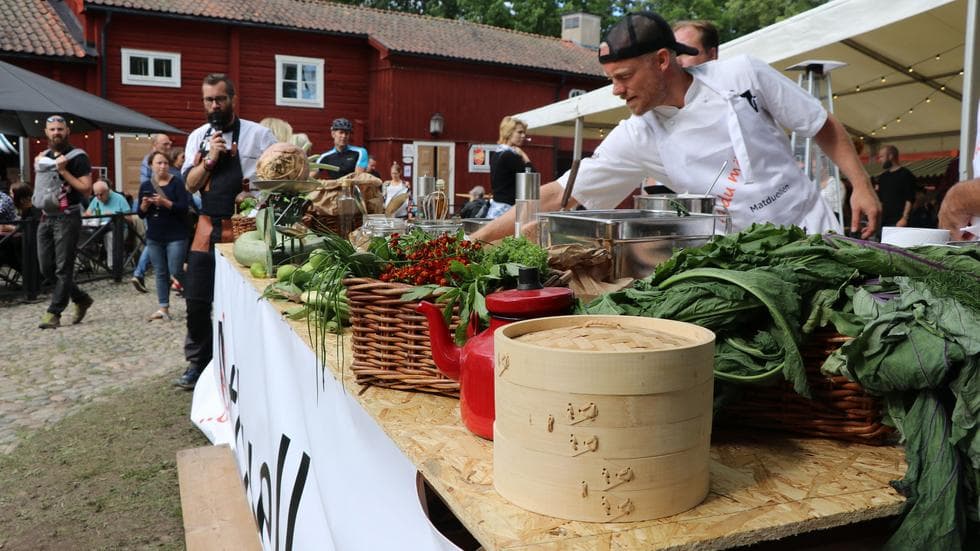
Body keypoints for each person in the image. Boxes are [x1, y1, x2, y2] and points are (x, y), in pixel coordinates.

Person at [473, 12, 880, 243]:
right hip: (747, 252)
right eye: (612, 79)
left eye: (624, 77)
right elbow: (560, 193)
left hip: (814, 230)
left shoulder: (742, 74)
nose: (616, 91)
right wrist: (476, 241)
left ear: (663, 60)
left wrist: (860, 185)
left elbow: (819, 124)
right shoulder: (638, 134)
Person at [176, 73, 277, 389]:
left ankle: (247, 362)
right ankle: (199, 362)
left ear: (233, 99)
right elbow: (189, 184)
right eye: (209, 99)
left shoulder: (259, 136)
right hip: (207, 227)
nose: (214, 105)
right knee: (196, 300)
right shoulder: (197, 137)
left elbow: (280, 175)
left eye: (220, 98)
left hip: (246, 229)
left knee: (246, 300)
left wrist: (256, 195)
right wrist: (209, 161)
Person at [34, 115, 95, 329]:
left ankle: (54, 313)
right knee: (46, 267)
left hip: (68, 216)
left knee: (63, 268)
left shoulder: (78, 157)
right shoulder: (44, 156)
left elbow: (86, 188)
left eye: (60, 129)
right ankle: (80, 298)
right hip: (46, 216)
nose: (56, 133)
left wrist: (63, 171)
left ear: (67, 131)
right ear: (46, 131)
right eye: (52, 129)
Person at [138, 149, 191, 322]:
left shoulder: (177, 183)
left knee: (176, 269)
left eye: (165, 163)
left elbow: (183, 208)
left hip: (176, 234)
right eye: (158, 163)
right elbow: (140, 213)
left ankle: (194, 297)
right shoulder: (146, 186)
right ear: (151, 166)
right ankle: (163, 308)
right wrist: (145, 206)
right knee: (160, 272)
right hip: (155, 235)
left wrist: (164, 202)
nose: (162, 166)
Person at [132, 134, 175, 292]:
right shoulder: (149, 162)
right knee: (154, 240)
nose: (169, 147)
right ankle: (140, 273)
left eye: (170, 144)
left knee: (157, 240)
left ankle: (164, 276)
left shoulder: (165, 161)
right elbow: (147, 185)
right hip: (153, 206)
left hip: (159, 205)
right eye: (165, 144)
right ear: (155, 145)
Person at [487, 116, 533, 219]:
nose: (523, 136)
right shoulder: (511, 156)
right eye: (519, 132)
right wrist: (526, 158)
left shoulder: (496, 154)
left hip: (496, 208)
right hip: (508, 211)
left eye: (524, 133)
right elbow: (531, 179)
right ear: (509, 132)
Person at [85, 179, 132, 271]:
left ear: (108, 191)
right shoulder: (96, 199)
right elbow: (86, 214)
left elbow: (130, 219)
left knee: (110, 235)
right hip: (98, 228)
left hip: (119, 230)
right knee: (82, 235)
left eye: (101, 194)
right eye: (96, 195)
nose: (98, 197)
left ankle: (114, 267)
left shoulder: (119, 198)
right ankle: (86, 265)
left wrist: (114, 215)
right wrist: (91, 215)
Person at [874, 145, 917, 228]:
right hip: (884, 221)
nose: (880, 160)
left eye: (882, 157)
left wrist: (904, 218)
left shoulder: (906, 175)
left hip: (899, 222)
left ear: (890, 156)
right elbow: (880, 201)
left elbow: (910, 199)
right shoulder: (882, 177)